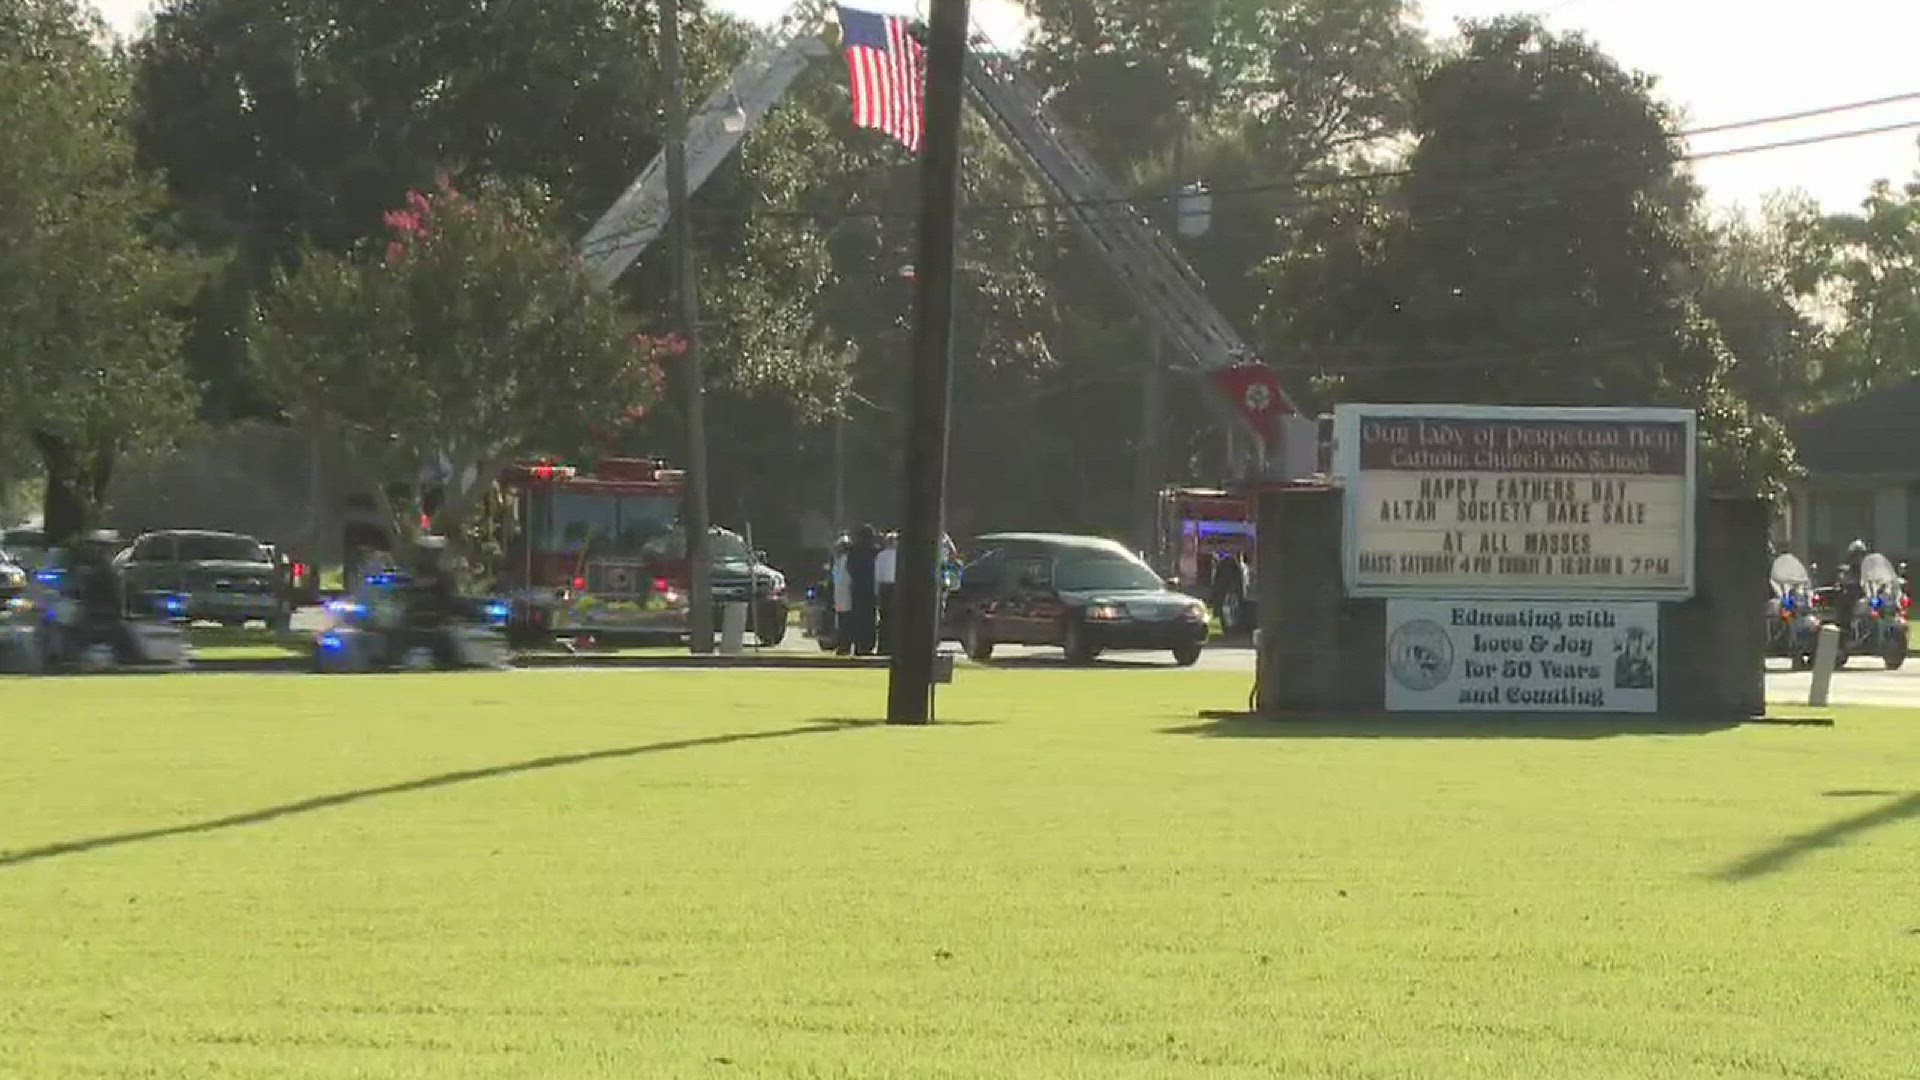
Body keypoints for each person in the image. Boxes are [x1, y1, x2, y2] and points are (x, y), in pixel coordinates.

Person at [845, 524, 880, 656]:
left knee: (858, 617)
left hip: (857, 588)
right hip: (870, 588)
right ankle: (868, 645)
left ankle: (859, 645)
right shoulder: (874, 551)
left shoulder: (853, 551)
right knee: (870, 618)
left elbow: (850, 568)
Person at [874, 531, 898, 655]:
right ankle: (893, 646)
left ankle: (883, 646)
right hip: (895, 588)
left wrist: (876, 591)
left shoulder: (880, 556)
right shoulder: (900, 556)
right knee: (895, 618)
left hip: (884, 588)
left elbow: (877, 575)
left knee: (884, 618)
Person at [829, 534, 852, 653]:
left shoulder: (847, 561)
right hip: (840, 595)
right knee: (842, 621)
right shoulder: (837, 562)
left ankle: (845, 645)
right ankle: (843, 644)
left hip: (847, 595)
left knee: (846, 622)